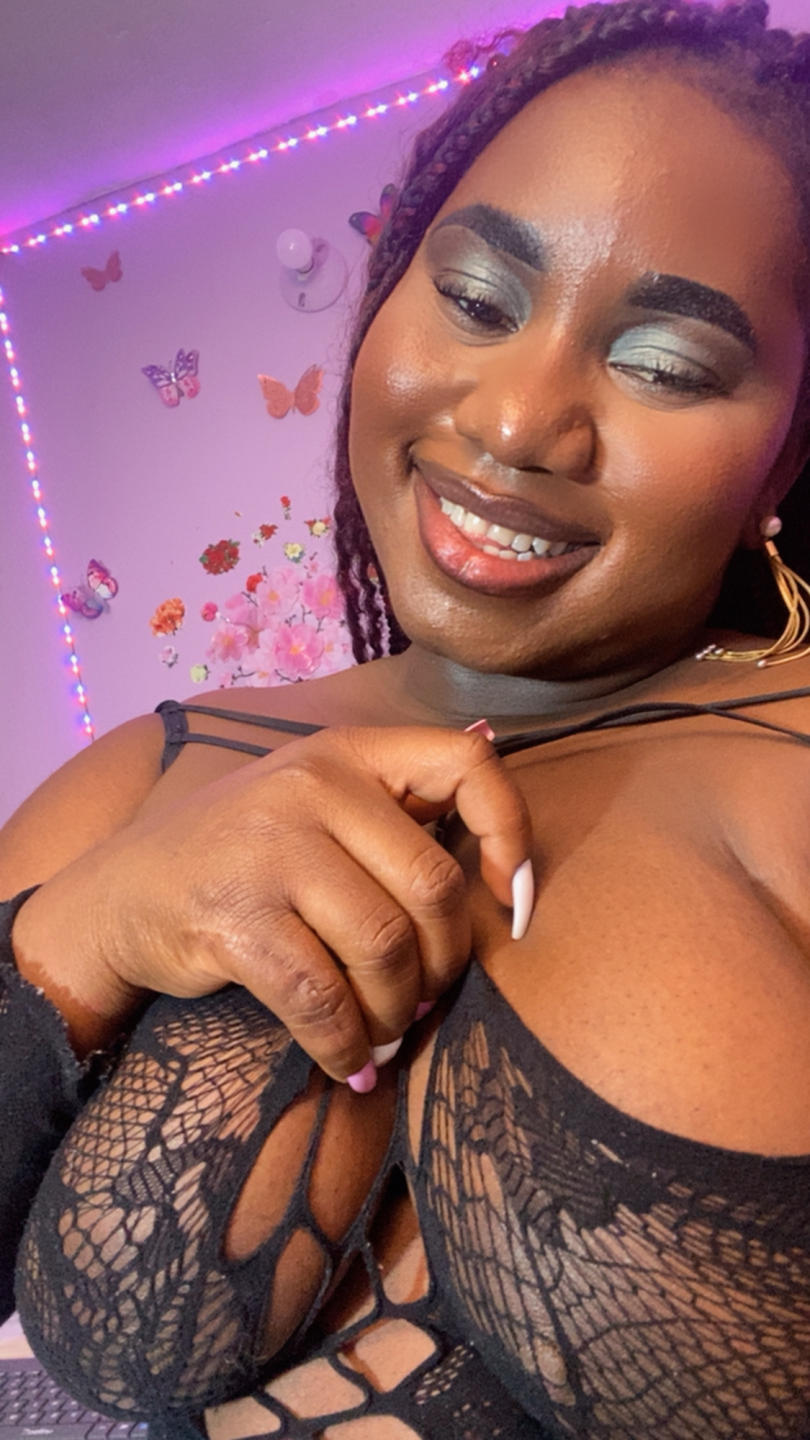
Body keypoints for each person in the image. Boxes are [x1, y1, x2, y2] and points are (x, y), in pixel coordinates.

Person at [4, 0, 810, 1433]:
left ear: (785, 456)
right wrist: (90, 932)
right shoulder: (157, 770)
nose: (514, 423)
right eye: (479, 299)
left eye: (665, 366)